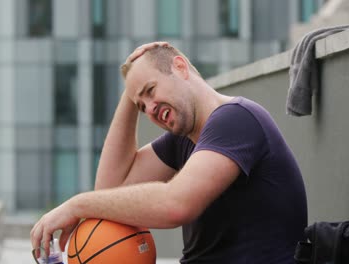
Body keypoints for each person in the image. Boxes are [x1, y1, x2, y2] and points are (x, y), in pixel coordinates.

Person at [30, 42, 308, 263]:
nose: (149, 109)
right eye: (142, 106)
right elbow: (110, 190)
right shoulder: (184, 139)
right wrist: (131, 92)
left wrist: (77, 205)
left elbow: (176, 205)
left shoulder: (236, 119)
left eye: (150, 91)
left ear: (180, 67)